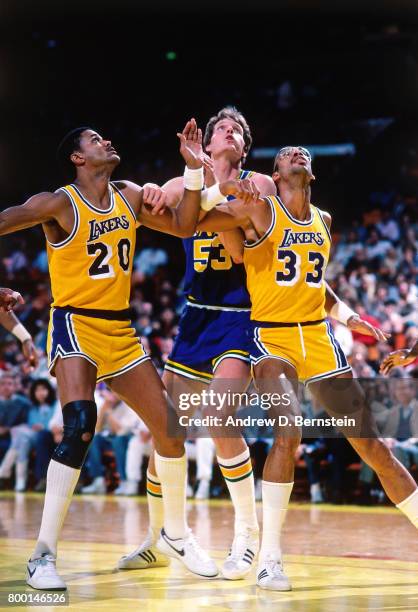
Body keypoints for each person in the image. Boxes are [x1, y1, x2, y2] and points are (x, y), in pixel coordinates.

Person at [0, 119, 254, 590]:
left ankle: (175, 533)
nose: (107, 141)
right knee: (79, 425)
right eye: (95, 140)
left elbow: (183, 223)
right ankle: (42, 556)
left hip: (119, 327)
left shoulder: (130, 194)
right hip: (74, 321)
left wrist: (191, 171)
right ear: (78, 158)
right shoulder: (59, 202)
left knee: (170, 431)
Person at [197, 145, 418, 591]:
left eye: (303, 152)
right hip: (271, 337)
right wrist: (207, 185)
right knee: (289, 429)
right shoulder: (259, 210)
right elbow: (194, 222)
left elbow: (318, 285)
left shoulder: (324, 221)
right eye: (286, 152)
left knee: (374, 449)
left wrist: (349, 316)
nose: (297, 153)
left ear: (311, 173)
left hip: (318, 337)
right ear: (275, 172)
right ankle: (269, 558)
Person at [118, 107, 276, 579]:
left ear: (243, 148)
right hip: (196, 317)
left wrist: (196, 191)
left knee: (218, 416)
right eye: (221, 129)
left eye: (237, 131)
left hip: (242, 314)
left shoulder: (260, 184)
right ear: (206, 144)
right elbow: (157, 202)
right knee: (167, 429)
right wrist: (152, 192)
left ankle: (247, 533)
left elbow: (230, 233)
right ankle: (156, 538)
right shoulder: (185, 178)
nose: (228, 133)